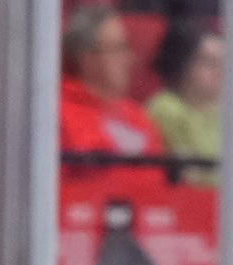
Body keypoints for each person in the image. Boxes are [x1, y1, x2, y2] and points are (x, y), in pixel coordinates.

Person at [59, 6, 165, 160]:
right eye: (118, 49)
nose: (129, 59)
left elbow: (158, 172)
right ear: (87, 58)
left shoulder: (137, 116)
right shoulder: (60, 115)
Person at [146, 20, 225, 186]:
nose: (219, 71)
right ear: (183, 63)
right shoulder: (166, 109)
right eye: (208, 62)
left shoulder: (228, 115)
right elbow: (194, 178)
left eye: (223, 63)